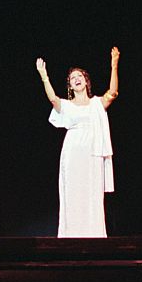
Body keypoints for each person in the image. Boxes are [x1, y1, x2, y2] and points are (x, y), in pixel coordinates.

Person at [36, 47, 119, 237]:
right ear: (70, 85)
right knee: (73, 194)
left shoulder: (97, 104)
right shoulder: (67, 106)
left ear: (86, 81)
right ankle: (70, 237)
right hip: (73, 154)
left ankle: (94, 236)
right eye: (73, 78)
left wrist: (114, 64)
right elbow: (53, 99)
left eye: (79, 75)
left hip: (93, 154)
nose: (76, 78)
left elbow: (113, 92)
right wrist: (44, 76)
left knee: (92, 195)